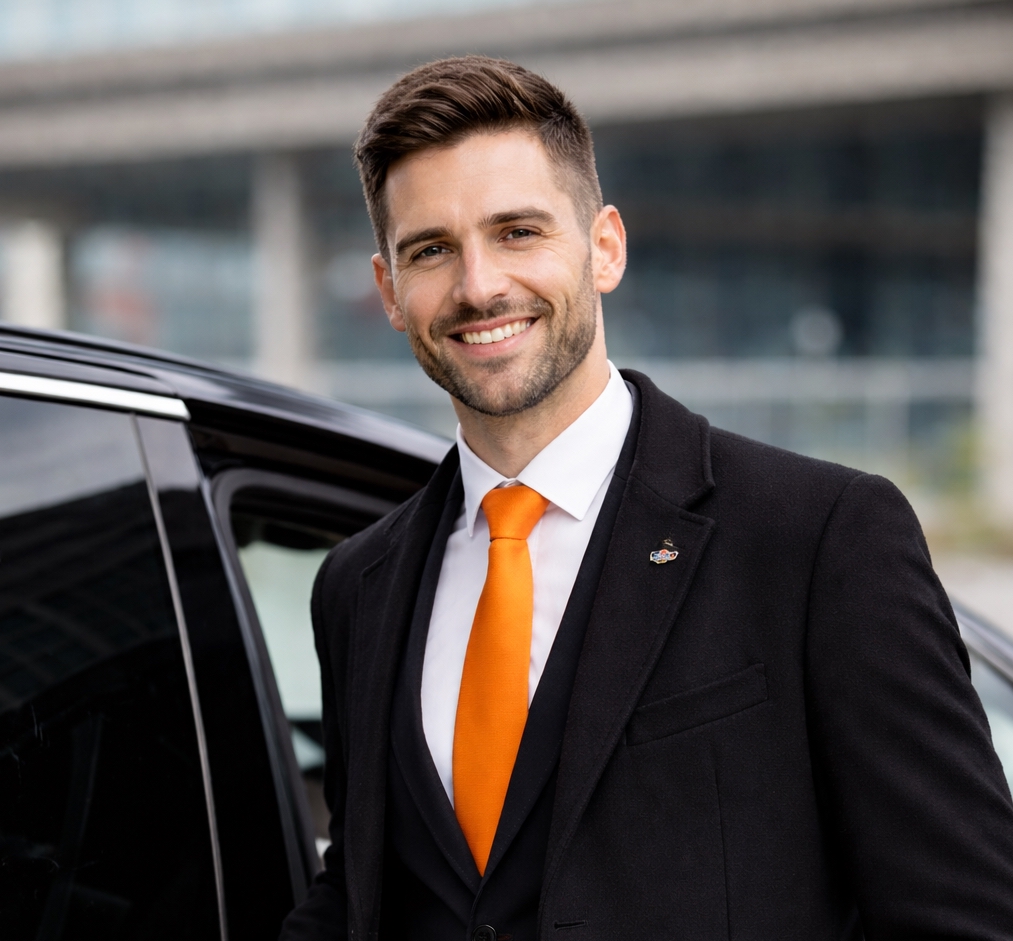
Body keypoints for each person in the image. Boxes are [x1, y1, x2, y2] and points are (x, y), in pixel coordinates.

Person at [280, 56, 1013, 941]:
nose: (478, 286)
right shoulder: (356, 586)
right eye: (431, 249)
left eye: (517, 232)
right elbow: (363, 891)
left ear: (604, 248)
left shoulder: (818, 537)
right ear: (390, 291)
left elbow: (962, 914)